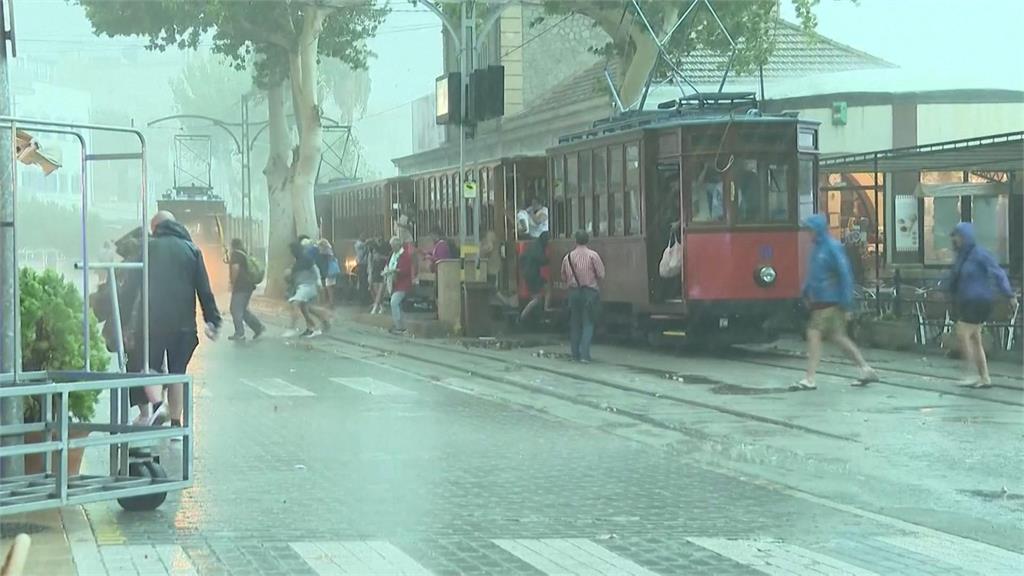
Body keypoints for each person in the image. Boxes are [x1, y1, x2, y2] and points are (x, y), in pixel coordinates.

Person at [124, 211, 222, 430]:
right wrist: (212, 319)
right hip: (184, 324)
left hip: (152, 321)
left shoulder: (147, 248)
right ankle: (177, 425)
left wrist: (124, 320)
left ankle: (158, 406)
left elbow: (131, 286)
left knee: (148, 366)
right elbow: (204, 289)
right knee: (178, 371)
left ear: (156, 227)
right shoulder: (192, 249)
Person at [797, 214, 878, 390]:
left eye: (809, 229)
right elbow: (814, 274)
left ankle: (810, 378)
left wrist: (846, 303)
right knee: (838, 337)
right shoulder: (819, 248)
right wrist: (805, 291)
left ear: (816, 230)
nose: (807, 233)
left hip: (829, 301)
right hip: (824, 301)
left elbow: (845, 275)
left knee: (814, 334)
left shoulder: (831, 248)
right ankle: (865, 368)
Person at [945, 222, 1015, 388]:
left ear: (965, 237)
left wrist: (1009, 294)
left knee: (962, 333)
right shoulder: (962, 256)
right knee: (975, 339)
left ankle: (970, 373)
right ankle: (984, 377)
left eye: (957, 236)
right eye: (954, 237)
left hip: (979, 300)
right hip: (968, 301)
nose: (955, 240)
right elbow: (955, 278)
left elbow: (998, 273)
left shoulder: (980, 254)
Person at [561, 230, 605, 363]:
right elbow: (601, 274)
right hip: (590, 292)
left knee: (575, 323)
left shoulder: (567, 257)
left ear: (575, 240)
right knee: (588, 322)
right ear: (587, 240)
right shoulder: (593, 256)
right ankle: (585, 355)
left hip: (573, 293)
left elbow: (563, 276)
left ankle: (575, 354)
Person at [287, 238, 331, 337]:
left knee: (295, 304)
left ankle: (292, 328)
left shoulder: (305, 259)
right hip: (305, 287)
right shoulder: (299, 261)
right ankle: (318, 324)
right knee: (306, 308)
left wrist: (319, 284)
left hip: (307, 287)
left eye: (292, 251)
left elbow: (315, 270)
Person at [228, 238, 265, 341]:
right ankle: (258, 327)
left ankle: (239, 333)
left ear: (232, 245)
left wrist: (232, 282)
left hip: (241, 286)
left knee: (235, 309)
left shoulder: (235, 254)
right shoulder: (243, 253)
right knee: (242, 310)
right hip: (248, 285)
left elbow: (235, 269)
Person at [519, 231, 550, 324]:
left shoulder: (533, 245)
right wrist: (549, 259)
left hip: (528, 273)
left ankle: (544, 309)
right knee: (537, 297)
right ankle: (523, 315)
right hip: (533, 275)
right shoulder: (539, 248)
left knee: (540, 292)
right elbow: (542, 260)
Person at [386, 236, 414, 334]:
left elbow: (406, 270)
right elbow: (387, 265)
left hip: (403, 284)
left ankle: (398, 326)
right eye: (391, 246)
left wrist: (395, 271)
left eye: (393, 246)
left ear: (398, 245)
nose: (392, 248)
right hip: (394, 283)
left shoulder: (405, 255)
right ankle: (401, 325)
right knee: (398, 305)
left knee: (394, 302)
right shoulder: (393, 254)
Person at [316, 239, 340, 308]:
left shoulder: (326, 252)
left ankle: (331, 303)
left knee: (329, 287)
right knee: (331, 286)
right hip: (332, 271)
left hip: (330, 271)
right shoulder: (330, 250)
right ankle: (331, 302)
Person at [369, 238, 390, 315]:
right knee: (377, 291)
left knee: (379, 292)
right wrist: (370, 275)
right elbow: (370, 266)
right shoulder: (371, 256)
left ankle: (375, 307)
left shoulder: (383, 256)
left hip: (382, 272)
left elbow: (387, 260)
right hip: (375, 273)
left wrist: (381, 257)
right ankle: (381, 306)